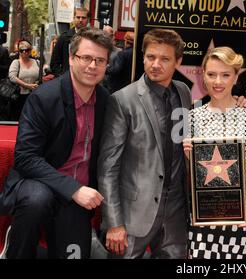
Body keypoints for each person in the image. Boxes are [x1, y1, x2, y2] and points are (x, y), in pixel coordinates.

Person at [0, 27, 113, 259]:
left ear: (106, 65)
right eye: (86, 58)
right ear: (71, 58)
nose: (93, 65)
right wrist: (74, 189)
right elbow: (25, 157)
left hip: (79, 195)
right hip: (39, 183)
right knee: (37, 200)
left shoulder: (106, 101)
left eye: (100, 60)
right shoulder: (44, 97)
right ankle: (17, 242)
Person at [97, 28, 191, 259]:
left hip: (176, 210)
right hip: (133, 214)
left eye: (165, 59)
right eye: (150, 57)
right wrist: (114, 222)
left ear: (178, 61)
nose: (155, 64)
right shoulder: (123, 100)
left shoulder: (184, 92)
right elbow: (108, 167)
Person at [183, 47, 246, 259]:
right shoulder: (191, 118)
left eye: (225, 75)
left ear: (236, 76)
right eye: (211, 74)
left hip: (240, 211)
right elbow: (187, 176)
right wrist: (188, 159)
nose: (218, 81)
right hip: (202, 213)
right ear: (202, 75)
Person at [50, 7, 90, 77]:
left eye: (83, 18)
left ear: (88, 20)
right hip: (67, 79)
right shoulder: (64, 37)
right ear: (74, 18)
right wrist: (63, 76)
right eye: (78, 17)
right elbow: (54, 63)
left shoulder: (93, 38)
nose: (80, 20)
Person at [8, 39, 40, 120]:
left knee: (32, 119)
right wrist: (27, 85)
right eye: (22, 50)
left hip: (34, 96)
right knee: (18, 119)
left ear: (30, 51)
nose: (24, 52)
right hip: (19, 96)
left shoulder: (37, 62)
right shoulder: (16, 62)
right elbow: (12, 76)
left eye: (27, 50)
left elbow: (41, 75)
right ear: (19, 51)